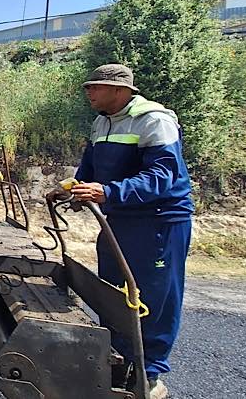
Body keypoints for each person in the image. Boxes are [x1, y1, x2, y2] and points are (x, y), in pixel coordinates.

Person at [70, 64, 192, 399]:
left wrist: (108, 192)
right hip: (119, 218)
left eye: (96, 87)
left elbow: (161, 176)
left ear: (120, 91)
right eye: (89, 87)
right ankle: (117, 361)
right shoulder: (102, 122)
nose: (89, 92)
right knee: (112, 291)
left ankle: (148, 376)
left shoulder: (154, 120)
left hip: (158, 221)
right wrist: (72, 189)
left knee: (153, 298)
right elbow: (89, 169)